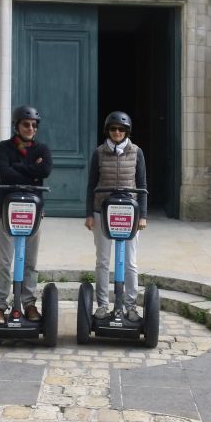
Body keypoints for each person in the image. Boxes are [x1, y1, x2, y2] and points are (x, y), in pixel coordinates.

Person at [84, 110, 148, 321]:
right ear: (108, 131)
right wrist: (89, 215)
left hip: (129, 212)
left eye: (121, 129)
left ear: (127, 131)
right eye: (113, 129)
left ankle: (130, 306)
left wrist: (143, 216)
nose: (117, 132)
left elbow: (142, 185)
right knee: (102, 261)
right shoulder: (99, 152)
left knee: (130, 261)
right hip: (102, 210)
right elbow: (91, 185)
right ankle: (102, 305)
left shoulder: (136, 152)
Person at [0, 105, 52, 325]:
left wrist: (18, 167)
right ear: (16, 125)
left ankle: (28, 303)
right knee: (4, 261)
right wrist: (30, 169)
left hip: (33, 212)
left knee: (30, 262)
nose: (30, 128)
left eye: (33, 125)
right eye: (25, 124)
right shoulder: (2, 148)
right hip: (7, 211)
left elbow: (45, 171)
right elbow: (4, 173)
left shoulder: (42, 149)